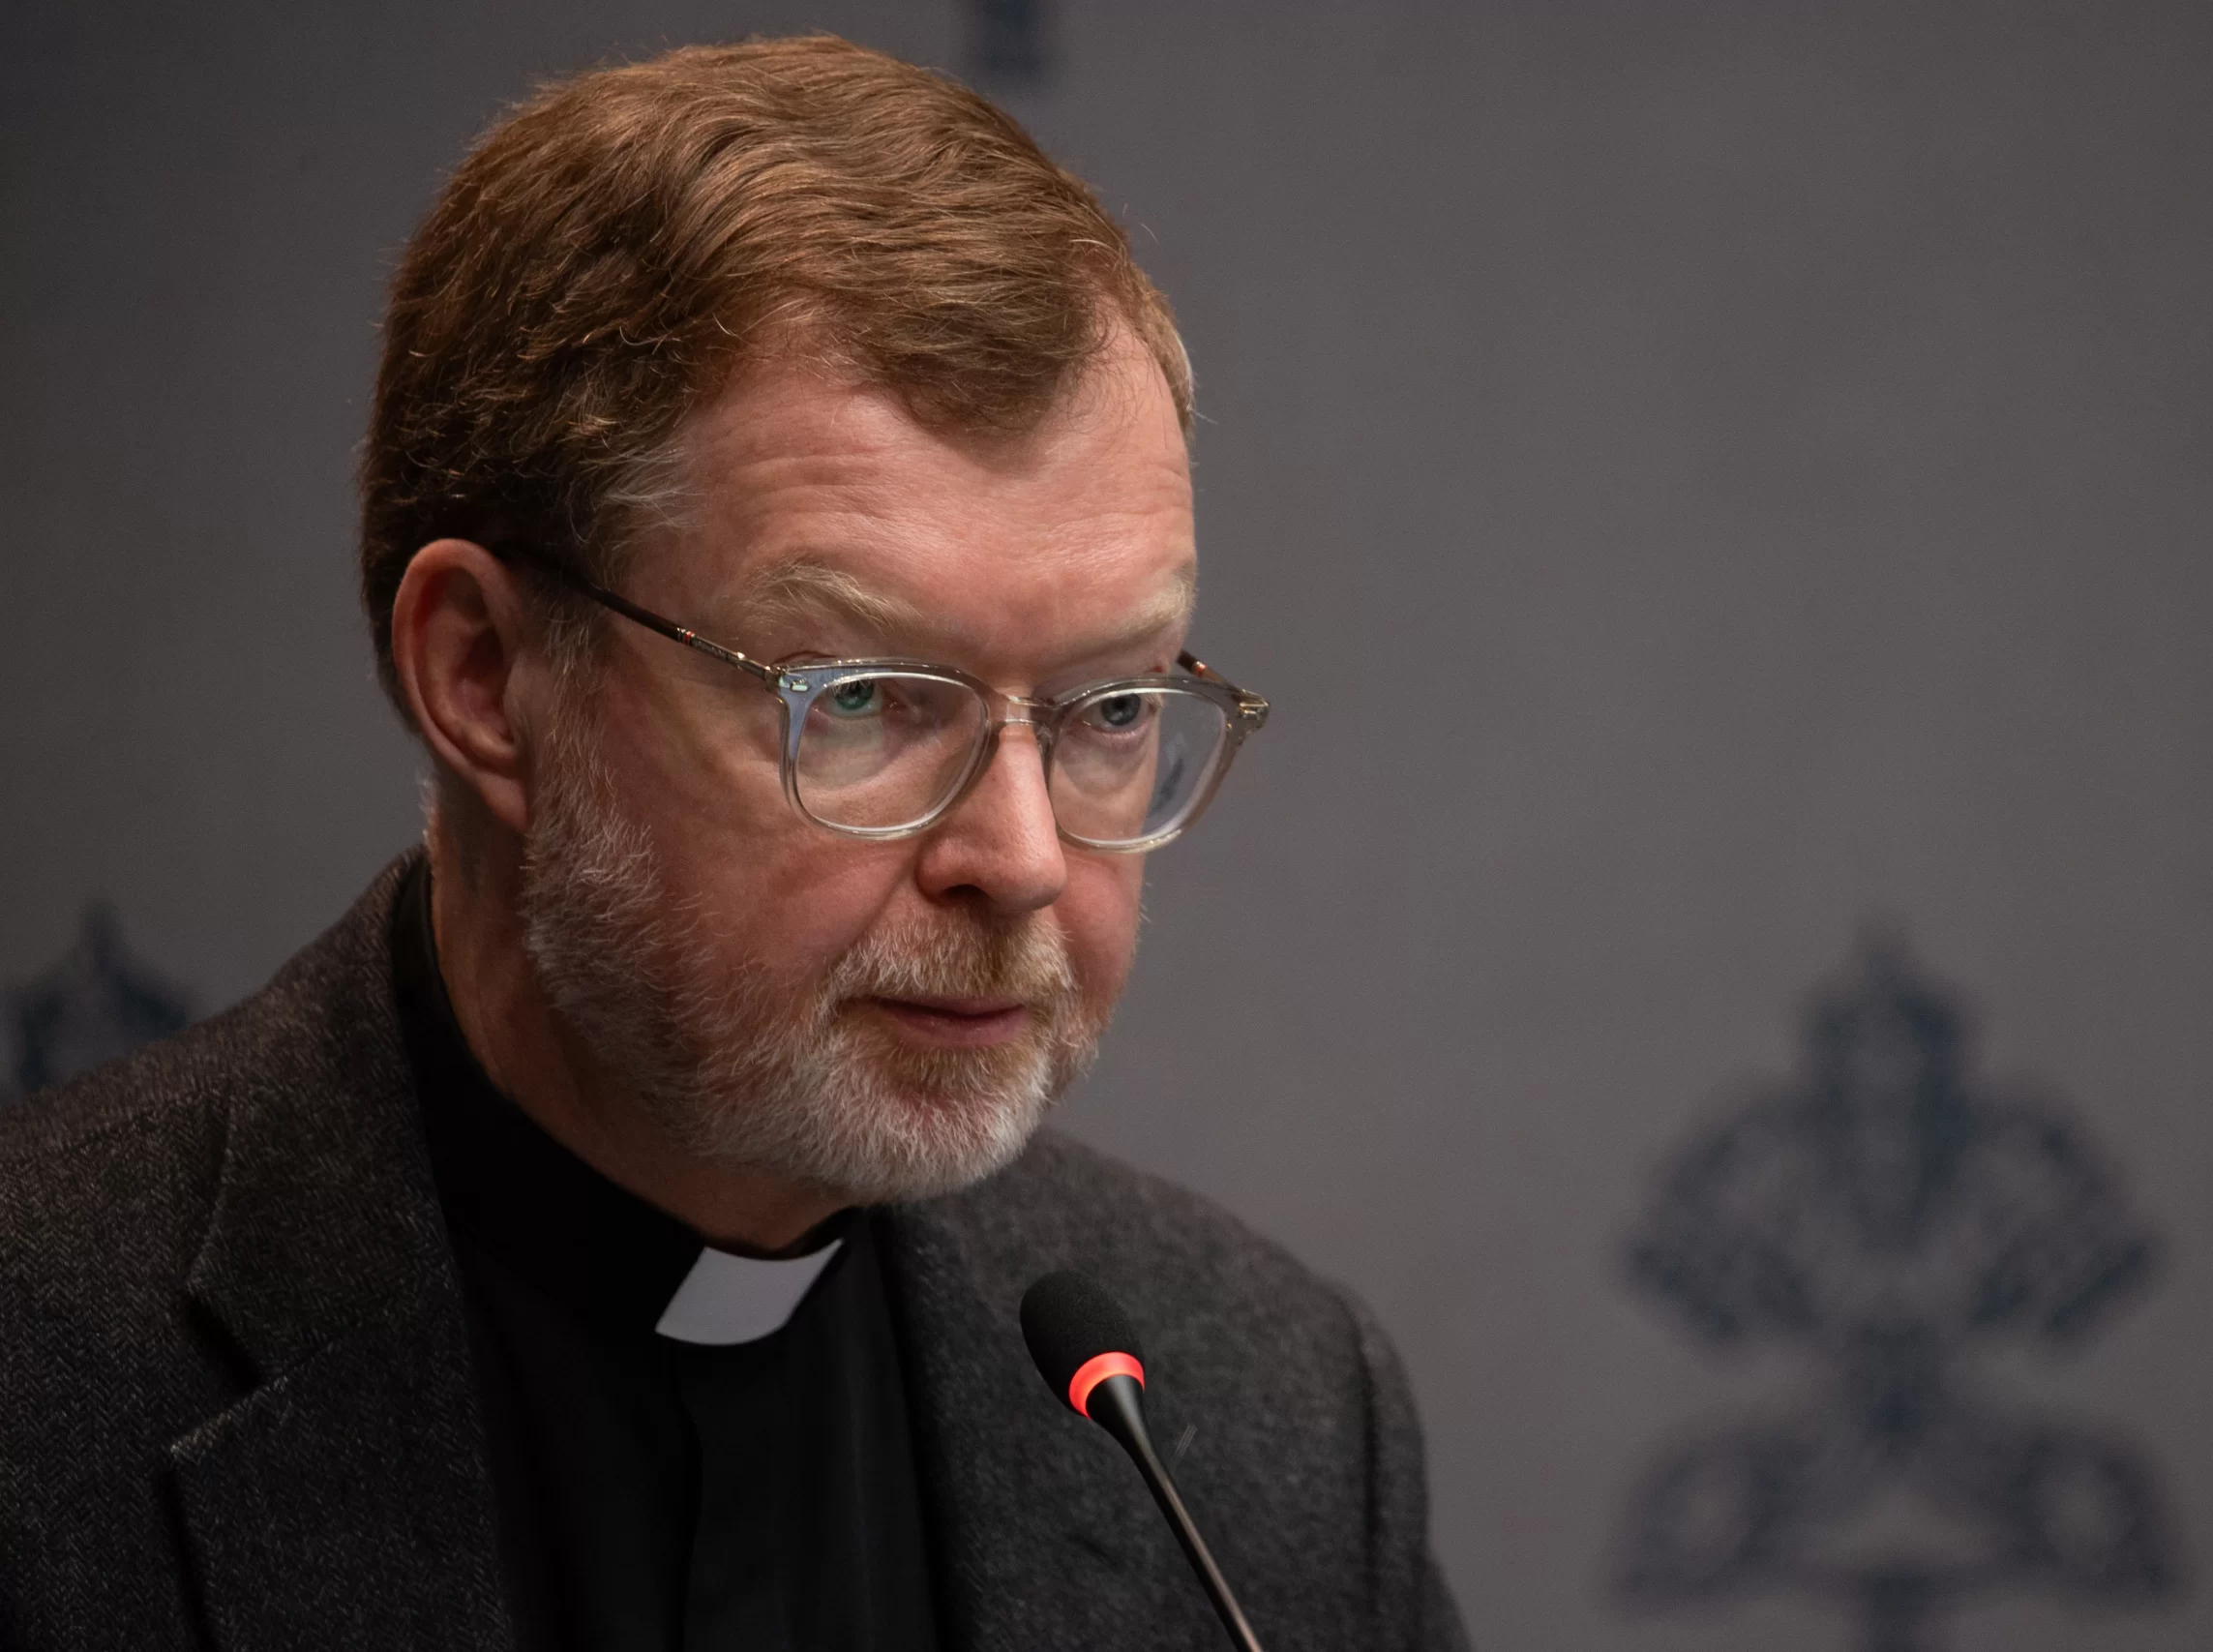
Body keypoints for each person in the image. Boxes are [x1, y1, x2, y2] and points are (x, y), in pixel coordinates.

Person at [0, 35, 1467, 1652]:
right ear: (487, 678)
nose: (1025, 857)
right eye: (872, 700)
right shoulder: (40, 1373)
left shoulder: (1269, 1417)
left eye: (1110, 707)